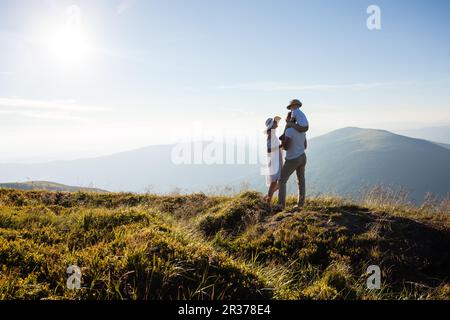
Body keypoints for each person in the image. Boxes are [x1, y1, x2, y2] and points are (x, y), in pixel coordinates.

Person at [277, 99, 309, 211]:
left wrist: (283, 143)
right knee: (301, 181)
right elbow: (305, 145)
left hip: (292, 159)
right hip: (302, 157)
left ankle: (281, 205)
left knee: (282, 180)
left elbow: (287, 147)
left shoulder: (289, 131)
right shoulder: (302, 131)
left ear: (290, 119)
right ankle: (300, 204)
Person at [263, 116, 282, 203]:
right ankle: (267, 200)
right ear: (272, 125)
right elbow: (269, 149)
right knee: (274, 182)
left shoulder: (273, 134)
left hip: (277, 159)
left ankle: (267, 197)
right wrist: (280, 147)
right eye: (274, 122)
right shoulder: (270, 135)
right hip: (274, 161)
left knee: (280, 181)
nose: (276, 123)